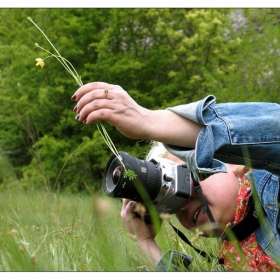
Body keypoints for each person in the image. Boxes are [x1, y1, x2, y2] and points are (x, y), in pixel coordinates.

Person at [71, 82, 280, 271]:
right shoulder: (231, 261)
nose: (184, 201)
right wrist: (145, 242)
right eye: (172, 204)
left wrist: (149, 121)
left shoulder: (272, 183)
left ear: (233, 161)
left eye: (191, 174)